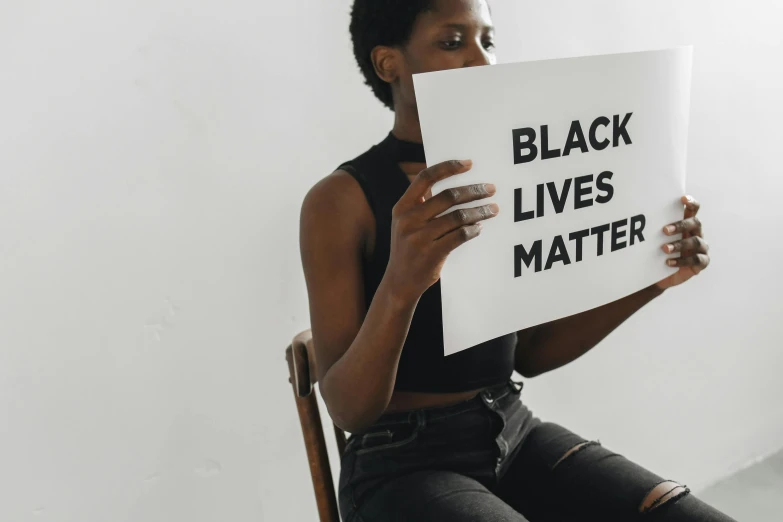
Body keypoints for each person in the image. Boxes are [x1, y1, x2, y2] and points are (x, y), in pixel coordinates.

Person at [299, 1, 729, 520]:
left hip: (513, 428)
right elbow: (347, 409)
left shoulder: (512, 170)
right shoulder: (341, 200)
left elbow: (530, 353)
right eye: (453, 42)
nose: (482, 61)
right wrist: (402, 283)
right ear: (389, 63)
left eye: (489, 41)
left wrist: (654, 278)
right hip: (400, 461)